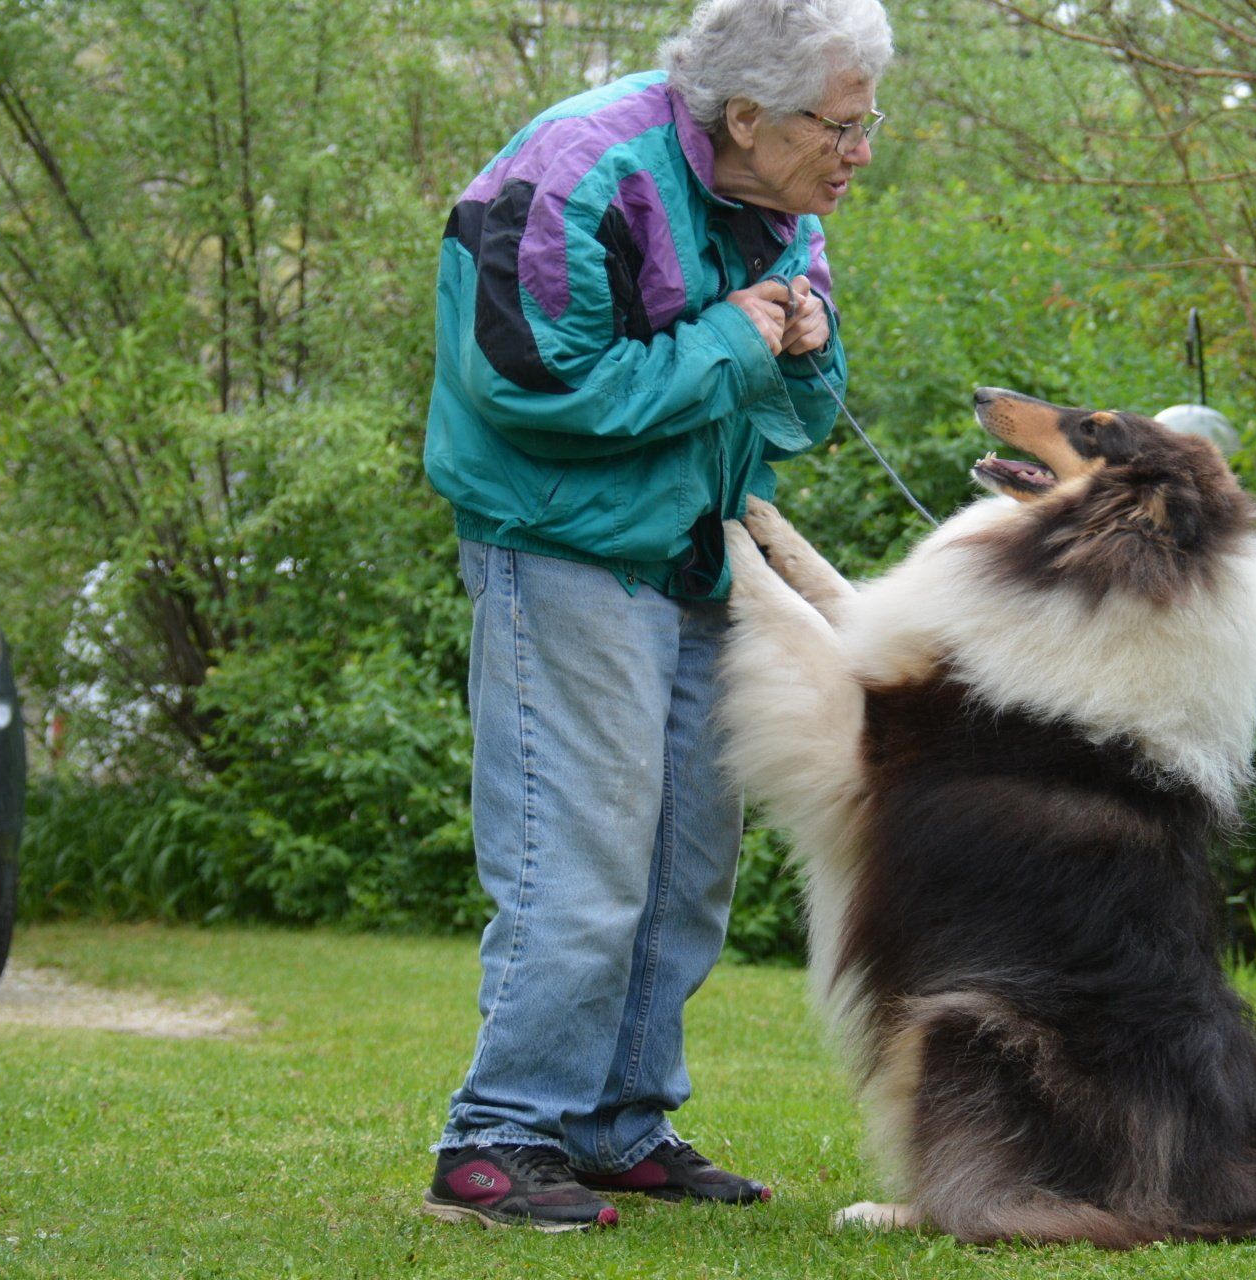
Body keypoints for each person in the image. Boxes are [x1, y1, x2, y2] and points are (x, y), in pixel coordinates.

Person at [419, 0, 893, 1232]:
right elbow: (534, 386)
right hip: (564, 546)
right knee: (582, 854)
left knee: (687, 864)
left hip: (702, 551)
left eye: (867, 122)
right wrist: (733, 340)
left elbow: (801, 416)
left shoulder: (786, 204)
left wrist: (807, 347)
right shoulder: (582, 168)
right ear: (748, 115)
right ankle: (499, 1133)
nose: (859, 149)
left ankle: (617, 1125)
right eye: (841, 125)